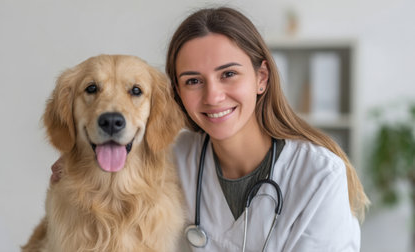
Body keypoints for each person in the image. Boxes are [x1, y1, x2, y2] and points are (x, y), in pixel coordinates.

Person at [52, 7, 369, 251]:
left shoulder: (319, 174)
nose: (213, 96)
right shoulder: (171, 158)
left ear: (261, 78)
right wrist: (78, 162)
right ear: (177, 92)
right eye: (193, 80)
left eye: (228, 74)